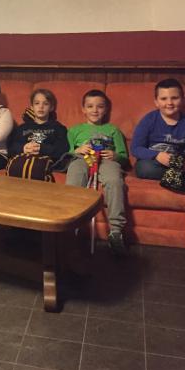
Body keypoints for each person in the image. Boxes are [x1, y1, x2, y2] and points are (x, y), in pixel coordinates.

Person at [131, 78, 185, 238]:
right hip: (156, 164)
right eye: (164, 98)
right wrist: (156, 155)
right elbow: (136, 148)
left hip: (182, 165)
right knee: (143, 168)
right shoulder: (149, 120)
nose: (169, 103)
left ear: (182, 100)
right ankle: (182, 182)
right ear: (156, 102)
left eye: (174, 98)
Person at [65, 89, 129, 256]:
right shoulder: (74, 130)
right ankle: (69, 227)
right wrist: (76, 150)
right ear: (83, 109)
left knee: (115, 181)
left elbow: (124, 157)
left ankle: (116, 232)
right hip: (82, 159)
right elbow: (66, 153)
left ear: (106, 109)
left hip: (107, 160)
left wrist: (115, 155)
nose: (95, 110)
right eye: (90, 106)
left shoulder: (113, 130)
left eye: (100, 106)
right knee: (74, 176)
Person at [8, 88, 69, 162]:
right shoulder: (22, 128)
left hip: (46, 161)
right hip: (23, 160)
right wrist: (23, 148)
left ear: (51, 108)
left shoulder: (58, 128)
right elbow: (11, 147)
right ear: (32, 107)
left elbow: (63, 150)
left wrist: (42, 148)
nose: (41, 107)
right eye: (37, 103)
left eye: (45, 104)